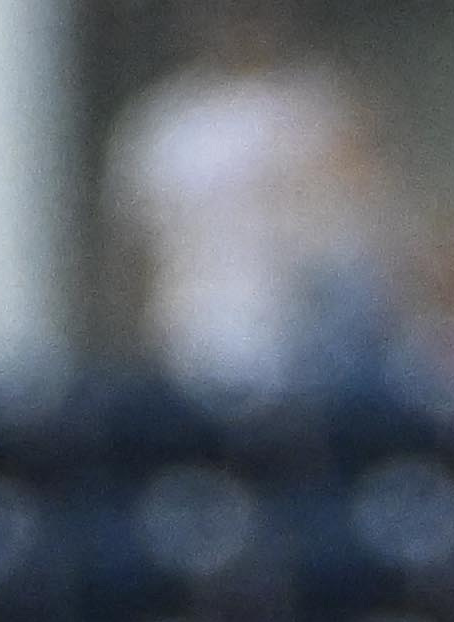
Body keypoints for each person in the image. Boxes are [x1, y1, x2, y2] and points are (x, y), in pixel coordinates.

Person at [104, 1, 390, 400]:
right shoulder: (165, 121)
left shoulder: (318, 111)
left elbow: (366, 242)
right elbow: (135, 255)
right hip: (193, 342)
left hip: (309, 356)